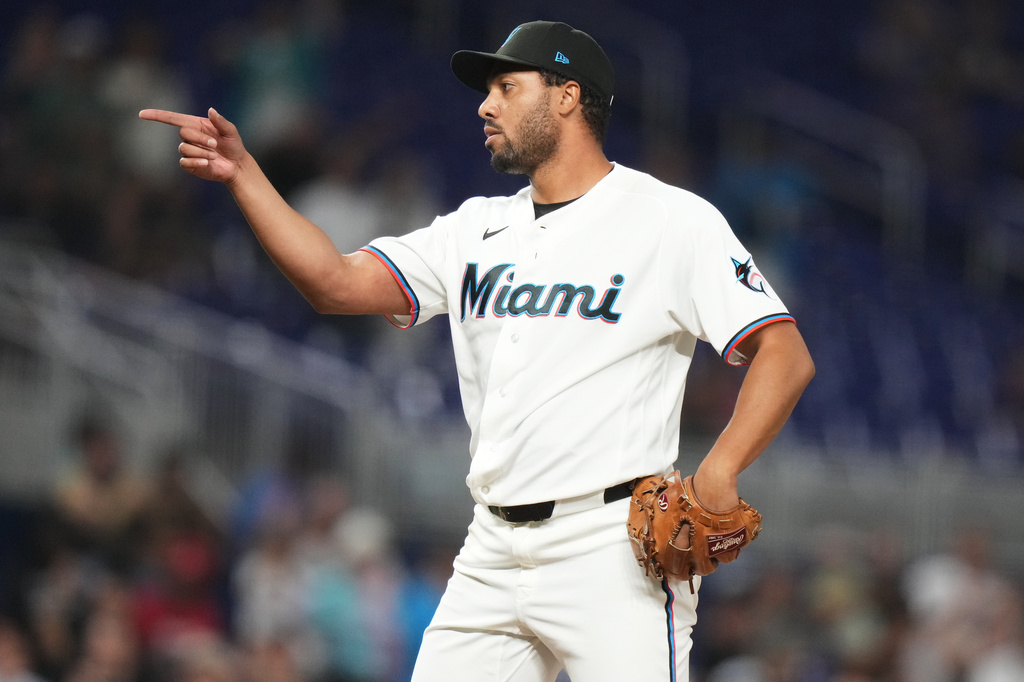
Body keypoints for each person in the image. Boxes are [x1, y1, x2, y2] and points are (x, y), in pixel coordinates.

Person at [141, 19, 814, 681]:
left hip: (610, 547)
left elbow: (783, 354)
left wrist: (720, 471)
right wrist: (246, 178)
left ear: (567, 96)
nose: (485, 104)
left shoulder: (670, 218)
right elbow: (335, 283)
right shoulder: (474, 229)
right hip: (491, 548)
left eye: (506, 86)